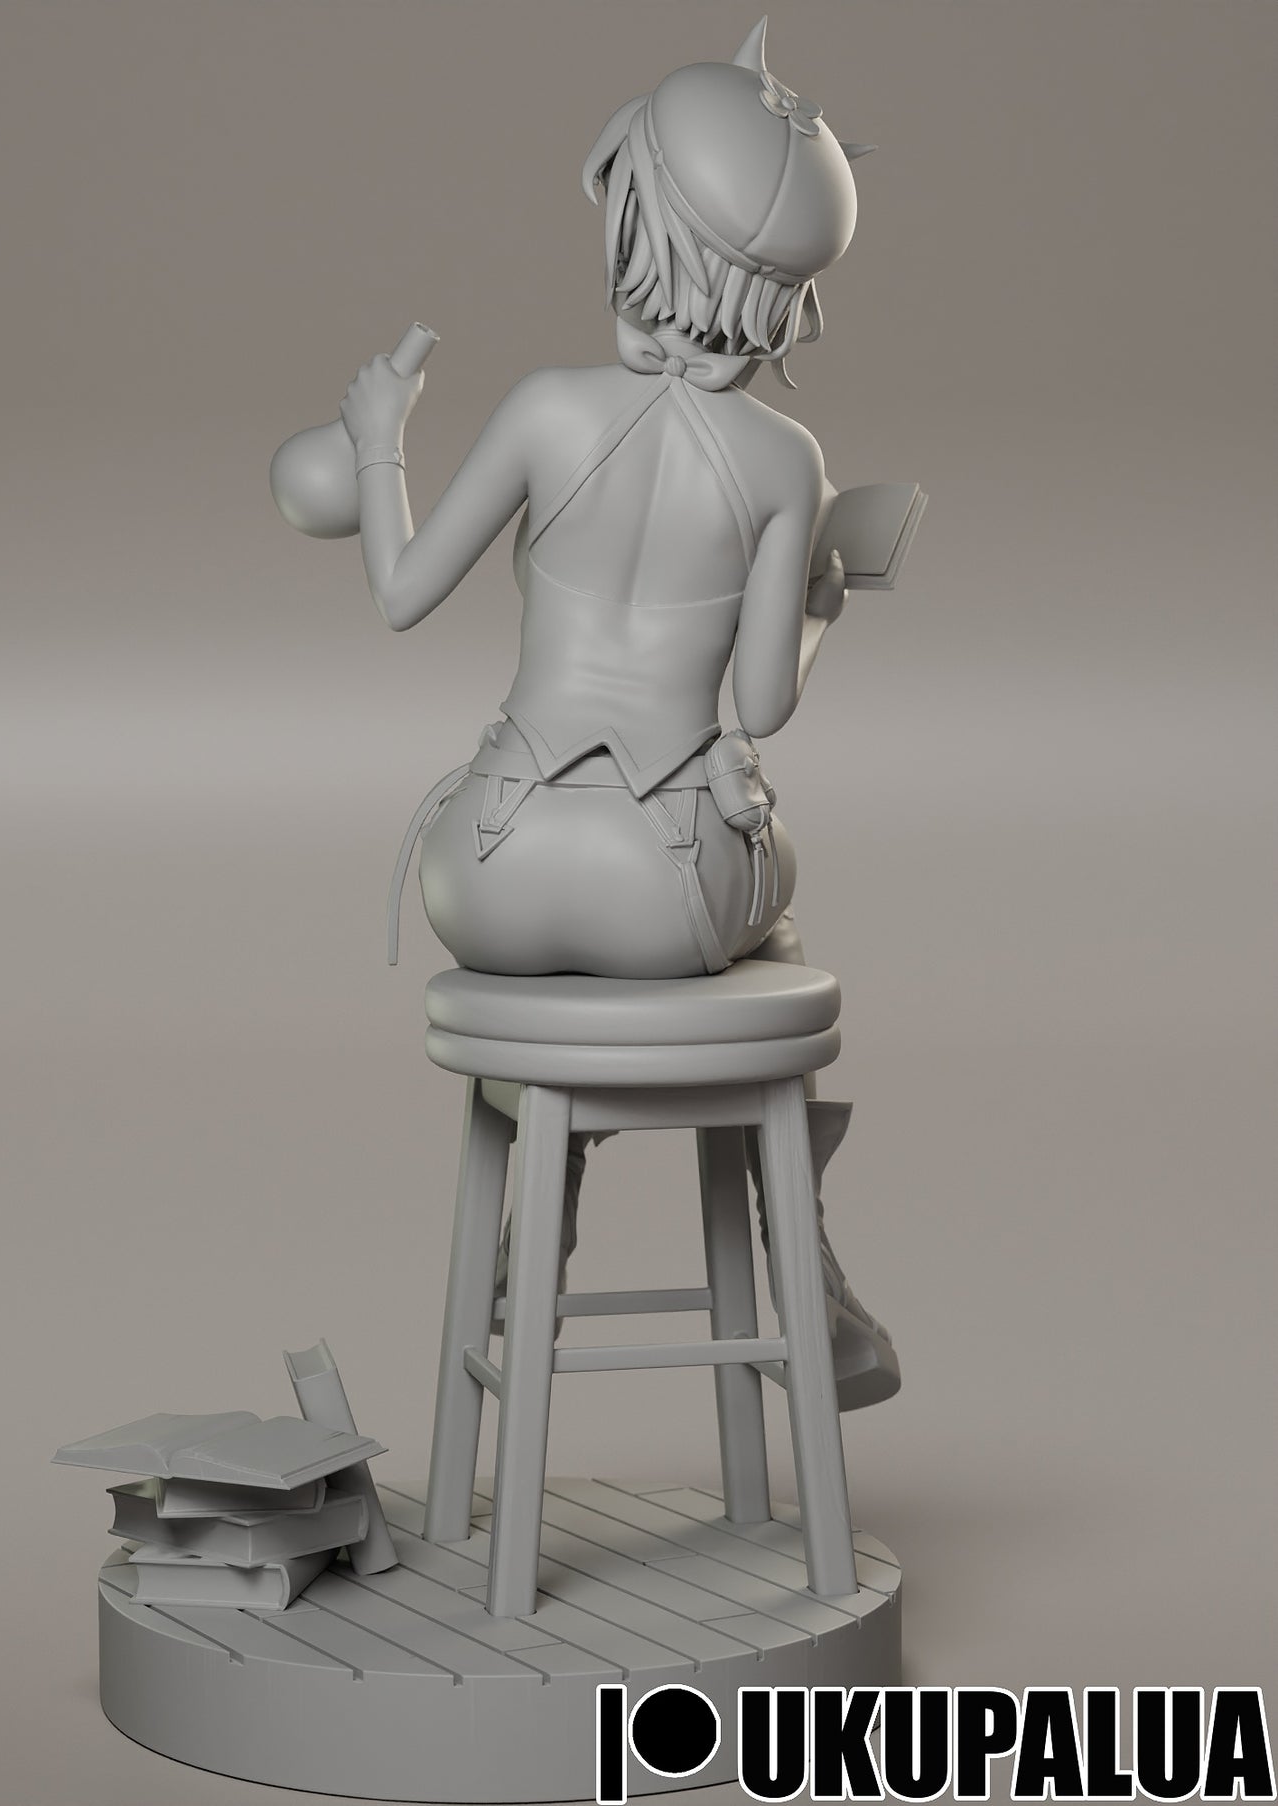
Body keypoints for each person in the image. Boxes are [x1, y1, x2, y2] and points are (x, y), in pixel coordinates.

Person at [338, 20, 897, 1405]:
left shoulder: (546, 406)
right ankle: (805, 1261)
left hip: (483, 868)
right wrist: (827, 599)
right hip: (664, 892)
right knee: (773, 907)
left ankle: (543, 1205)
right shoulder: (786, 461)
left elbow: (402, 592)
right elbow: (760, 702)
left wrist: (376, 440)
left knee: (563, 998)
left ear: (634, 214)